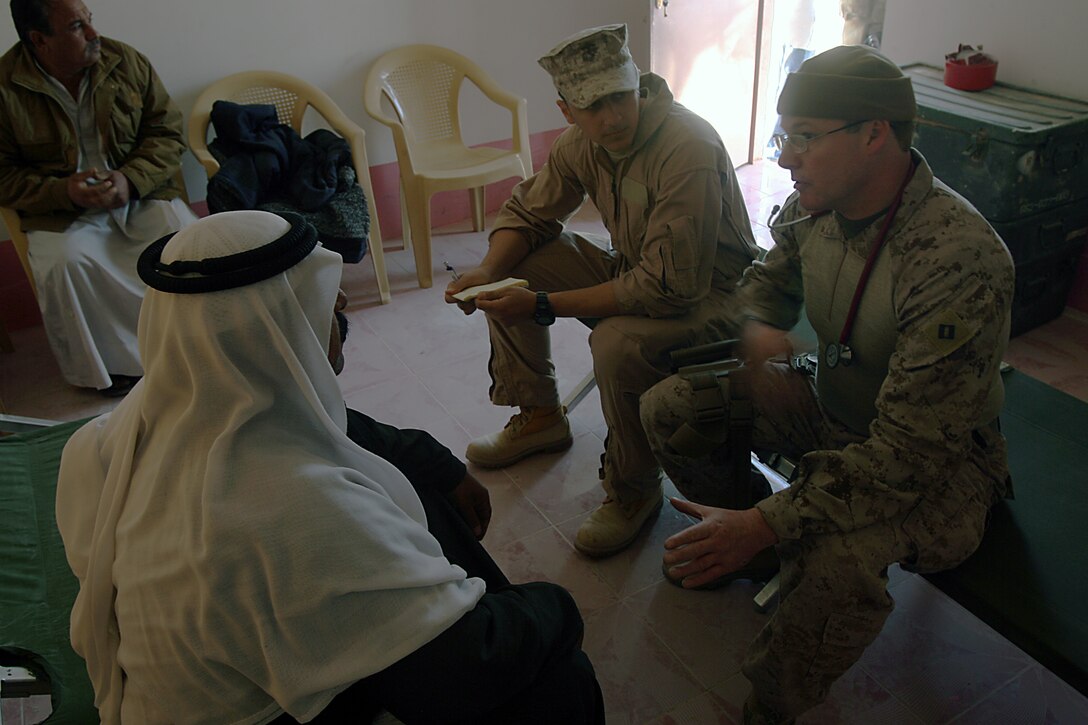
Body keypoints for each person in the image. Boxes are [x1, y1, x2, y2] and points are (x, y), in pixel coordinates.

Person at [55, 210, 604, 724]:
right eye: (329, 307)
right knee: (552, 682)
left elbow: (336, 425)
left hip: (206, 674)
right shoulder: (290, 508)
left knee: (414, 482)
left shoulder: (127, 427)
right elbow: (465, 673)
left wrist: (436, 463)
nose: (341, 302)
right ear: (276, 335)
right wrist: (556, 605)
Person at [639, 45, 1014, 723]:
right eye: (785, 138)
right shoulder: (815, 207)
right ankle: (754, 554)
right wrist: (758, 330)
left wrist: (767, 519)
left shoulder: (959, 259)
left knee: (838, 562)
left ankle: (774, 699)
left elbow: (907, 456)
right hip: (837, 399)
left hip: (942, 467)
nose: (785, 158)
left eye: (803, 138)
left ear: (874, 134)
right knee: (675, 408)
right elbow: (764, 284)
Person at [445, 23, 760, 558]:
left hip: (717, 298)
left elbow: (669, 287)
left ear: (638, 83)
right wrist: (487, 269)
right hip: (642, 270)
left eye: (619, 97)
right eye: (592, 106)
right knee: (518, 265)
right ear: (567, 111)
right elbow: (528, 211)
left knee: (616, 342)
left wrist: (542, 305)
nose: (611, 116)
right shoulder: (580, 145)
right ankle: (541, 414)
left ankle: (634, 489)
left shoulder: (688, 145)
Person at [0, 0, 197, 396]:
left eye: (90, 20)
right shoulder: (5, 87)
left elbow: (167, 133)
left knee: (187, 244)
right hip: (61, 211)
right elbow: (3, 175)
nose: (94, 34)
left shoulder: (125, 61)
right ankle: (114, 372)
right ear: (40, 40)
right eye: (77, 26)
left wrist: (130, 179)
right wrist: (64, 191)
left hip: (141, 194)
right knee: (65, 264)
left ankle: (196, 349)